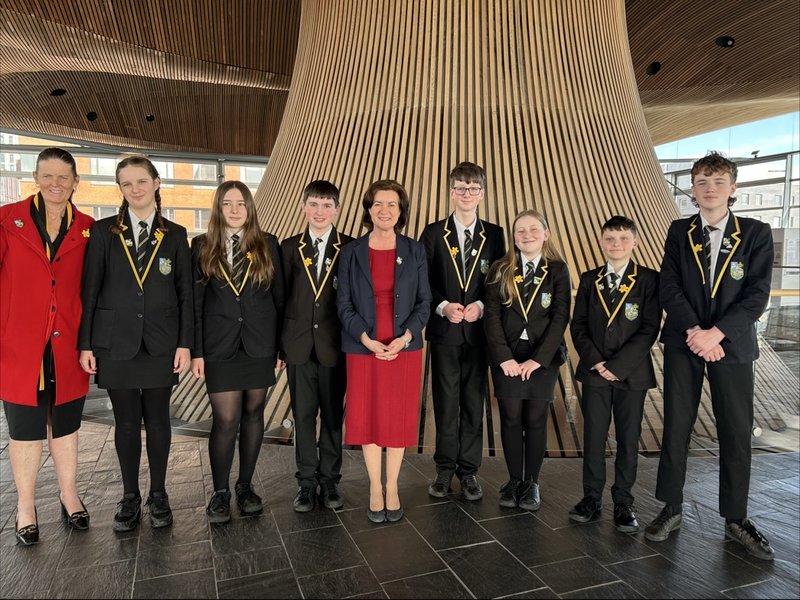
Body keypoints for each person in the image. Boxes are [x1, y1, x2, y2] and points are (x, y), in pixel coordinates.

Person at [645, 152, 775, 560]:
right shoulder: (679, 230)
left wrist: (716, 334)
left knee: (736, 431)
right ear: (692, 188)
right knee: (677, 426)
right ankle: (671, 507)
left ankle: (736, 517)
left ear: (733, 188)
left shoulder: (755, 232)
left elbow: (756, 295)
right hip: (686, 343)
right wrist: (695, 333)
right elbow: (668, 286)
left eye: (718, 181)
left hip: (731, 346)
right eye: (702, 181)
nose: (709, 188)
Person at [79, 156, 193, 532]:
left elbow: (185, 295)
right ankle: (129, 496)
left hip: (162, 342)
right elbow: (90, 291)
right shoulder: (103, 232)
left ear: (157, 183)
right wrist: (87, 344)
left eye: (141, 181)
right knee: (126, 423)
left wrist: (185, 344)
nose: (135, 189)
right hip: (116, 343)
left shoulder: (175, 235)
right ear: (121, 189)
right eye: (126, 184)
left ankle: (158, 493)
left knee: (159, 421)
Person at [0, 148, 94, 544]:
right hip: (20, 347)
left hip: (68, 346)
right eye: (48, 176)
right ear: (36, 179)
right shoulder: (7, 220)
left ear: (75, 182)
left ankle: (68, 494)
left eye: (64, 177)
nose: (56, 184)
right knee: (25, 431)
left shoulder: (88, 227)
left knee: (67, 426)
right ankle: (25, 505)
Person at [337, 179, 431, 523]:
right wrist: (365, 338)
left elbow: (425, 302)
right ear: (368, 209)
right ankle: (374, 487)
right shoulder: (351, 252)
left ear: (401, 210)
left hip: (402, 347)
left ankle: (393, 486)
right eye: (378, 204)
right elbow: (343, 303)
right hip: (364, 348)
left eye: (392, 204)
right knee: (368, 416)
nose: (385, 210)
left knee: (397, 417)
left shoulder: (415, 249)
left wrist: (405, 338)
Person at [191, 181, 284, 523]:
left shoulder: (267, 244)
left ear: (250, 208)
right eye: (227, 203)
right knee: (226, 420)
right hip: (219, 346)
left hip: (259, 344)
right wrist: (198, 351)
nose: (234, 209)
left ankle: (245, 487)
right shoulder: (201, 246)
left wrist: (280, 347)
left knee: (254, 414)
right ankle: (220, 491)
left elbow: (280, 299)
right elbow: (196, 305)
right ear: (218, 208)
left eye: (241, 203)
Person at [568, 216, 660, 532]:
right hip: (595, 373)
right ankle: (591, 498)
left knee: (628, 439)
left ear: (635, 241)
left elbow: (650, 328)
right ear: (602, 242)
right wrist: (596, 362)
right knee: (593, 437)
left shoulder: (648, 280)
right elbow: (578, 324)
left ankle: (623, 502)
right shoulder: (589, 278)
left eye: (622, 238)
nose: (616, 244)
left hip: (631, 375)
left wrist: (617, 367)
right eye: (610, 238)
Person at [420, 161, 505, 501]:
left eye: (473, 188)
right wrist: (442, 307)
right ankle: (443, 470)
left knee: (473, 403)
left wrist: (482, 306)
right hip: (445, 331)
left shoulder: (495, 235)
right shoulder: (432, 233)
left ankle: (469, 472)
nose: (466, 194)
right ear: (451, 191)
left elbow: (500, 281)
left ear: (482, 194)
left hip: (479, 333)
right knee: (445, 403)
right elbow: (423, 283)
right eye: (460, 188)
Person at [484, 210, 570, 510]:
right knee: (509, 418)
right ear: (514, 236)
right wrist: (504, 357)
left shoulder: (558, 270)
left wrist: (538, 360)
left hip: (541, 359)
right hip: (506, 358)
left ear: (546, 233)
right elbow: (492, 317)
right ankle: (514, 480)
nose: (527, 235)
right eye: (520, 230)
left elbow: (560, 318)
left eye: (534, 229)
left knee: (534, 419)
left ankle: (532, 481)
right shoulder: (500, 269)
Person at [281, 180, 353, 513]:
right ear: (303, 207)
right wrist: (279, 350)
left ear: (336, 210)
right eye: (313, 204)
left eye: (326, 205)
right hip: (297, 348)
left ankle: (330, 482)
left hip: (335, 347)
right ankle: (307, 484)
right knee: (304, 417)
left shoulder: (350, 248)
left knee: (333, 419)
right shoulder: (288, 247)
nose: (319, 212)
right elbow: (280, 301)